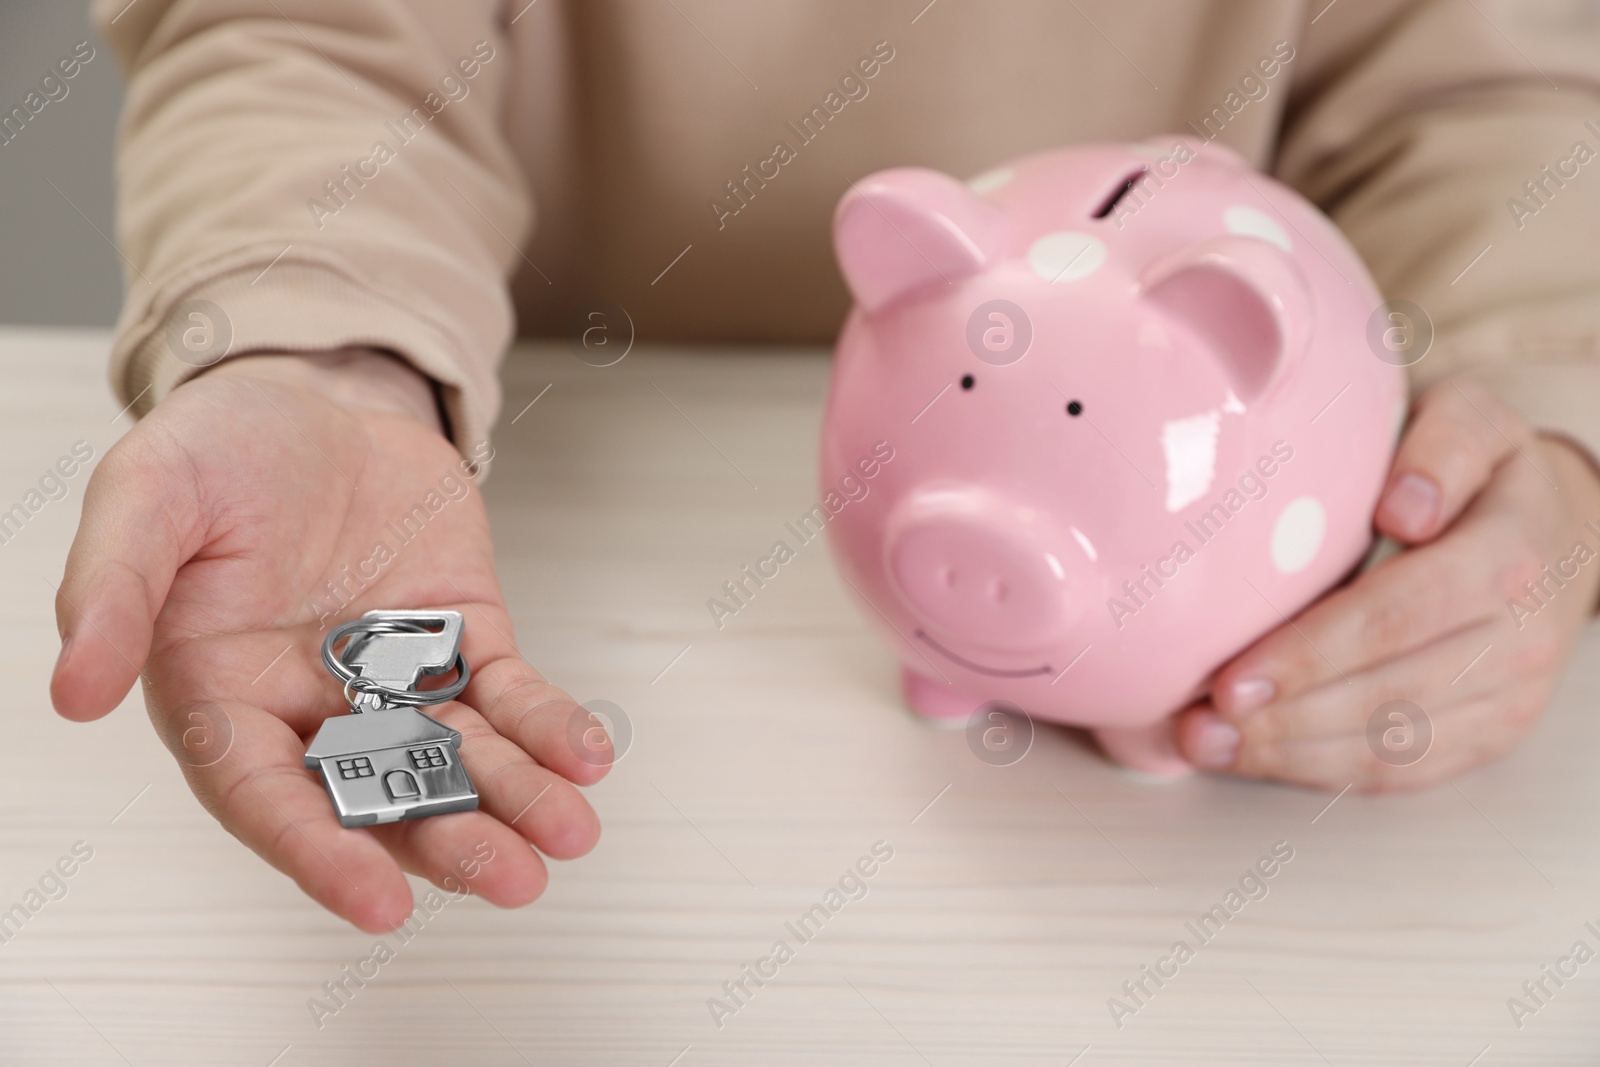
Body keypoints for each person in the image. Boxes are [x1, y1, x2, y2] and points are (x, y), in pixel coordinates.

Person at [53, 0, 1600, 930]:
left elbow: (1489, 95)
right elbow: (315, 29)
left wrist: (1544, 421)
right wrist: (321, 356)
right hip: (524, 402)